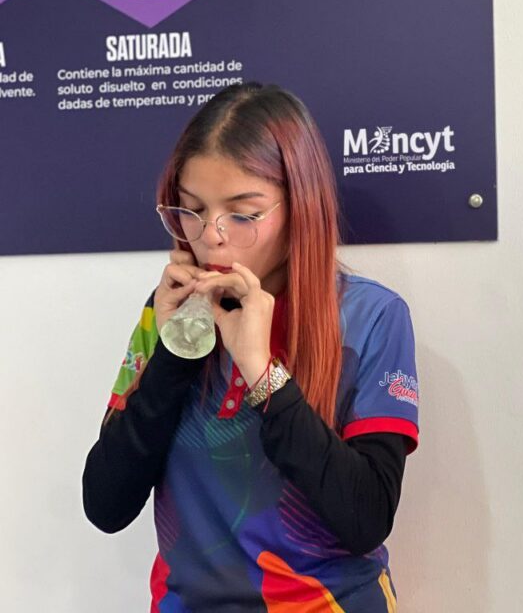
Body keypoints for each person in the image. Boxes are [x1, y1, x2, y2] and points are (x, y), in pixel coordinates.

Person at [83, 82, 419, 612]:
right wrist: (175, 353)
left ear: (300, 207)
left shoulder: (370, 317)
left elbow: (366, 518)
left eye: (242, 214)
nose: (211, 236)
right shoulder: (169, 309)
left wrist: (263, 375)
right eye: (191, 210)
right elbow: (106, 504)